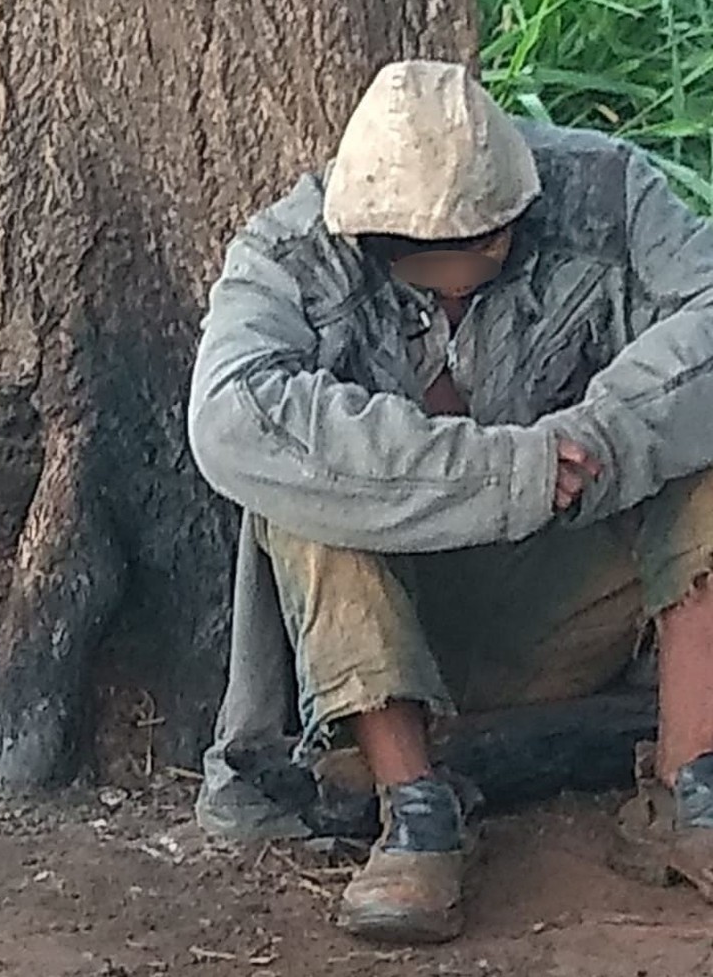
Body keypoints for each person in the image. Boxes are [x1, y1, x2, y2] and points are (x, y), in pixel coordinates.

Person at [187, 60, 713, 943]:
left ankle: (691, 786)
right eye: (424, 261)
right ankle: (416, 811)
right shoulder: (289, 253)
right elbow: (232, 413)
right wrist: (508, 472)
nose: (461, 278)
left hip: (577, 597)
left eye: (488, 243)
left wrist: (608, 436)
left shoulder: (610, 192)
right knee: (306, 490)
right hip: (379, 639)